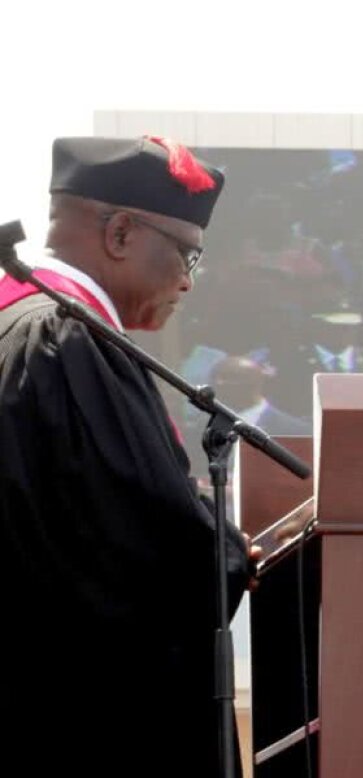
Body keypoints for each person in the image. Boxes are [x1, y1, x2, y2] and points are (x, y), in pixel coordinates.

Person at [0, 137, 254, 776]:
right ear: (119, 233)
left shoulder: (20, 327)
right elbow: (142, 551)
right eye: (187, 253)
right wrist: (228, 550)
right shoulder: (68, 343)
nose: (188, 282)